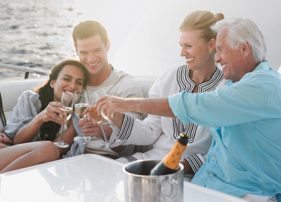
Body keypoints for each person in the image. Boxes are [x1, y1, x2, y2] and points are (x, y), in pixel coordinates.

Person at [97, 18, 281, 202]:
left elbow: (197, 106)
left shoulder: (263, 86)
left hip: (247, 191)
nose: (218, 57)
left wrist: (128, 103)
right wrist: (115, 117)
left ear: (244, 48)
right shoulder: (234, 84)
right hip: (209, 183)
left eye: (221, 50)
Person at [90, 10, 225, 175]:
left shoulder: (225, 89)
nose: (182, 53)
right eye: (181, 45)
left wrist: (175, 168)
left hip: (194, 173)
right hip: (152, 160)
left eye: (188, 46)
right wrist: (116, 117)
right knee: (105, 175)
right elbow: (151, 130)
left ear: (211, 45)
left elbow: (220, 150)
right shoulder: (170, 78)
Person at [0, 59, 89, 202]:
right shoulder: (31, 99)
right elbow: (17, 140)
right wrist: (41, 117)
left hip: (25, 179)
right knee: (48, 148)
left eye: (79, 82)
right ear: (52, 82)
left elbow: (56, 154)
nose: (73, 85)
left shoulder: (77, 117)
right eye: (67, 79)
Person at [68, 20, 144, 158]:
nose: (91, 59)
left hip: (109, 162)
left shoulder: (127, 87)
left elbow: (131, 143)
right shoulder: (74, 84)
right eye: (84, 53)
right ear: (76, 50)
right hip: (74, 156)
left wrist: (103, 130)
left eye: (97, 50)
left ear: (107, 45)